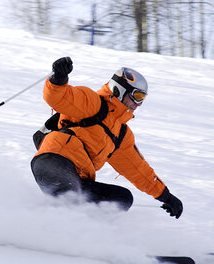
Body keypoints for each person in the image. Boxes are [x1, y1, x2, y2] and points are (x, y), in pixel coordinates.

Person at [30, 57, 183, 218]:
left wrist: (166, 196)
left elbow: (138, 170)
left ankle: (67, 233)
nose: (139, 104)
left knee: (121, 199)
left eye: (142, 99)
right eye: (137, 96)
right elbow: (60, 97)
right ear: (119, 89)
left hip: (76, 177)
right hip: (55, 161)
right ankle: (44, 229)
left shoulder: (121, 135)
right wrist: (59, 79)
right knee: (71, 203)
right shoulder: (92, 103)